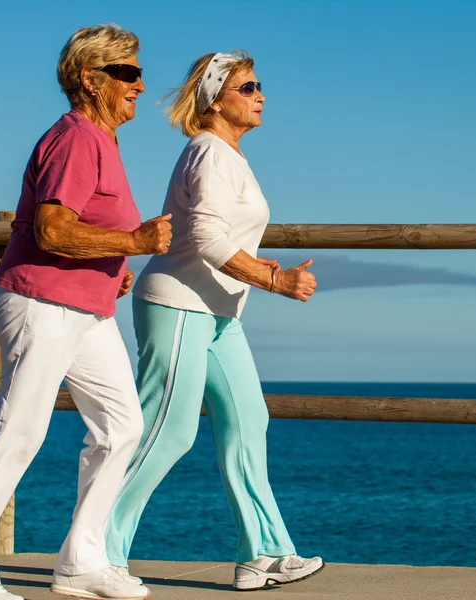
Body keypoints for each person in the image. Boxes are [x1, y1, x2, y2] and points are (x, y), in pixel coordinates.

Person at [0, 24, 172, 600]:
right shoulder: (77, 139)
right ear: (91, 80)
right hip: (41, 301)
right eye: (128, 73)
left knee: (122, 425)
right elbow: (53, 228)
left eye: (139, 72)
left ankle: (81, 562)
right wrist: (135, 244)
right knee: (20, 430)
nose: (141, 84)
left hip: (84, 308)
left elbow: (85, 230)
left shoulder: (101, 140)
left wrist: (115, 264)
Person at [105, 51, 324, 591]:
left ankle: (264, 554)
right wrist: (273, 280)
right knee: (167, 432)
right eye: (248, 88)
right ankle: (95, 548)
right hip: (178, 303)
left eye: (258, 86)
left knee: (250, 421)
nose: (260, 96)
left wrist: (252, 266)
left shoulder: (229, 156)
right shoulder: (207, 152)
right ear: (215, 98)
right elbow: (204, 239)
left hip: (218, 312)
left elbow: (223, 236)